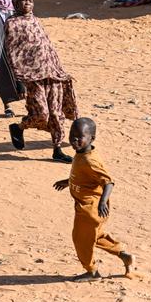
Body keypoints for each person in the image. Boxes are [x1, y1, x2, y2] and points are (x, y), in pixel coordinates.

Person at [52, 117, 136, 279]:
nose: (74, 140)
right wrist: (67, 182)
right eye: (72, 135)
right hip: (87, 207)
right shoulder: (81, 153)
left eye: (80, 137)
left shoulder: (90, 160)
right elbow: (83, 177)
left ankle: (92, 271)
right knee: (94, 237)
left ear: (92, 138)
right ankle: (124, 255)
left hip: (90, 209)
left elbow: (109, 182)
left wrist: (103, 202)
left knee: (81, 240)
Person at [5, 0, 78, 164]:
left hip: (51, 72)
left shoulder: (36, 21)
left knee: (56, 112)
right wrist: (19, 80)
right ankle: (19, 127)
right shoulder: (12, 24)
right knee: (41, 114)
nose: (27, 4)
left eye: (30, 1)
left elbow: (47, 47)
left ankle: (57, 149)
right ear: (16, 3)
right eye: (23, 1)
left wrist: (58, 69)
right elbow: (12, 53)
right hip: (31, 76)